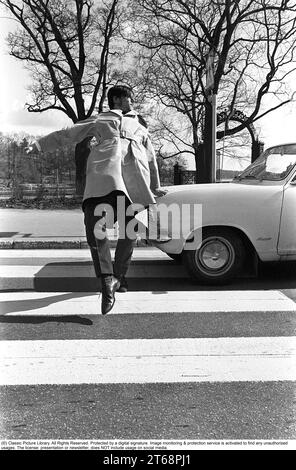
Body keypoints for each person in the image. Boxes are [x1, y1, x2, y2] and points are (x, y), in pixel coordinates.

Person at [26, 85, 166, 315]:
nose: (132, 102)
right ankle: (107, 279)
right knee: (94, 228)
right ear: (119, 99)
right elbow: (68, 134)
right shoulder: (101, 119)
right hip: (105, 174)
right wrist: (40, 145)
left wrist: (155, 186)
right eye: (130, 98)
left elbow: (151, 158)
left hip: (134, 181)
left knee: (130, 231)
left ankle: (118, 277)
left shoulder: (141, 127)